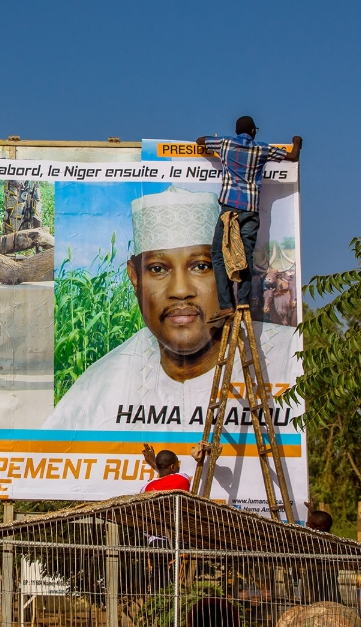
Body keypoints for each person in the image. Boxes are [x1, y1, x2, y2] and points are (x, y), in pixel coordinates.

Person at [44, 185, 299, 431]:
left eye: (201, 266)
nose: (180, 290)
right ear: (135, 277)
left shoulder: (288, 358)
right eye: (158, 269)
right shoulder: (100, 386)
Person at [197, 117, 301, 321]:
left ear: (237, 131)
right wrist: (296, 140)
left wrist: (214, 142)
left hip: (229, 210)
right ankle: (243, 300)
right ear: (253, 131)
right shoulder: (261, 149)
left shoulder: (225, 144)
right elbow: (293, 156)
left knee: (218, 255)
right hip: (250, 210)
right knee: (246, 256)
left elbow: (200, 141)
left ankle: (227, 304)